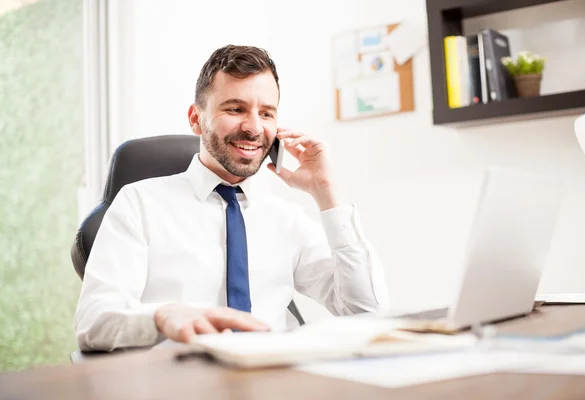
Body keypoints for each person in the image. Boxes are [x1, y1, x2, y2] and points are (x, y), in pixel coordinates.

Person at [74, 45, 388, 351]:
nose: (254, 128)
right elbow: (93, 322)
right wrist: (162, 316)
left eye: (266, 113)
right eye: (235, 109)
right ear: (196, 118)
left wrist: (328, 195)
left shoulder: (286, 218)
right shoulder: (139, 204)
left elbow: (366, 311)